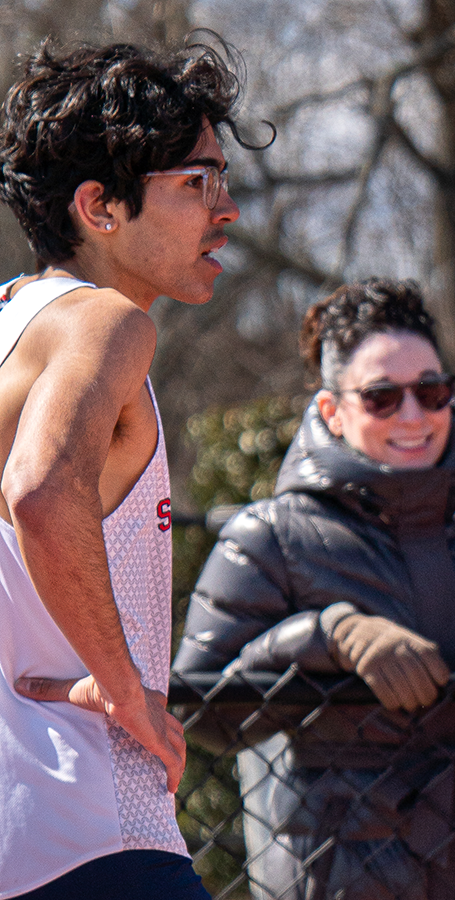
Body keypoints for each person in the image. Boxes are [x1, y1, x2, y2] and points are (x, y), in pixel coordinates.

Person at [171, 278, 455, 900]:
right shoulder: (270, 537)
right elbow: (203, 713)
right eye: (381, 397)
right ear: (331, 409)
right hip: (340, 878)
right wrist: (329, 637)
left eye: (431, 392)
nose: (413, 416)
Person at [0, 40, 253, 899]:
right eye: (197, 181)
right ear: (98, 208)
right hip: (89, 826)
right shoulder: (105, 323)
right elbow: (38, 492)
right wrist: (123, 689)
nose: (228, 210)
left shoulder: (10, 327)